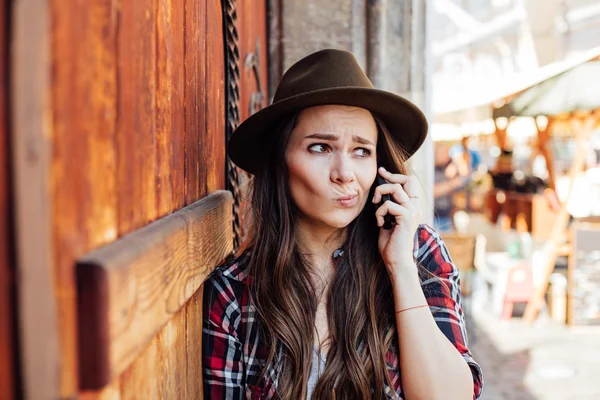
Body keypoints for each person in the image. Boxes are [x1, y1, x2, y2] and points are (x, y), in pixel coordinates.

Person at [202, 49, 483, 399]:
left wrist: (400, 269)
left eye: (362, 151)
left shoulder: (418, 251)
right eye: (320, 148)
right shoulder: (234, 292)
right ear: (280, 160)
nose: (345, 174)